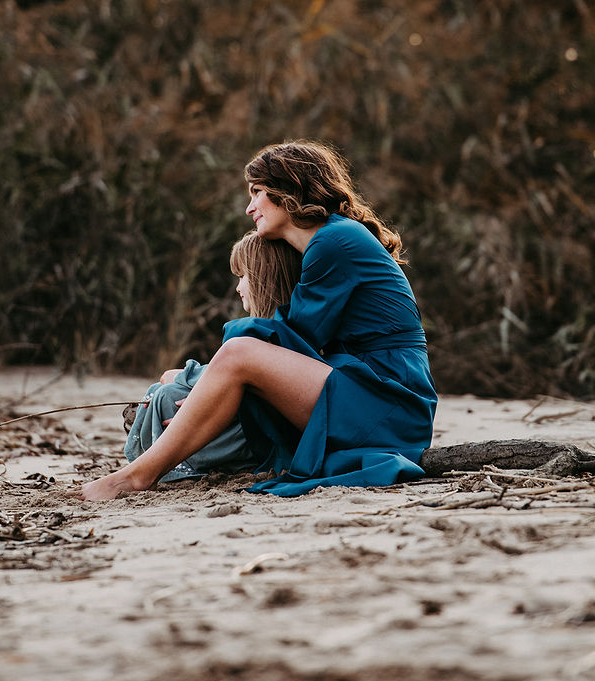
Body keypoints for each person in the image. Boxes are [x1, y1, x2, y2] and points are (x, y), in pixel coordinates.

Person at [81, 140, 437, 500]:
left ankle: (136, 476)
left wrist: (201, 379)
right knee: (219, 366)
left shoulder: (336, 241)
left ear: (289, 189)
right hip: (367, 389)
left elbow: (294, 339)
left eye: (258, 192)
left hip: (389, 400)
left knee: (239, 352)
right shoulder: (331, 240)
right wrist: (204, 382)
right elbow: (298, 348)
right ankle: (153, 464)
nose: (250, 207)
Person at [123, 231, 301, 482]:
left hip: (254, 434)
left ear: (263, 278)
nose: (238, 287)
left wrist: (188, 381)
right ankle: (162, 454)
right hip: (246, 421)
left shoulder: (272, 331)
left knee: (165, 393)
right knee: (167, 393)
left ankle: (173, 462)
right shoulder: (268, 326)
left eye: (243, 277)